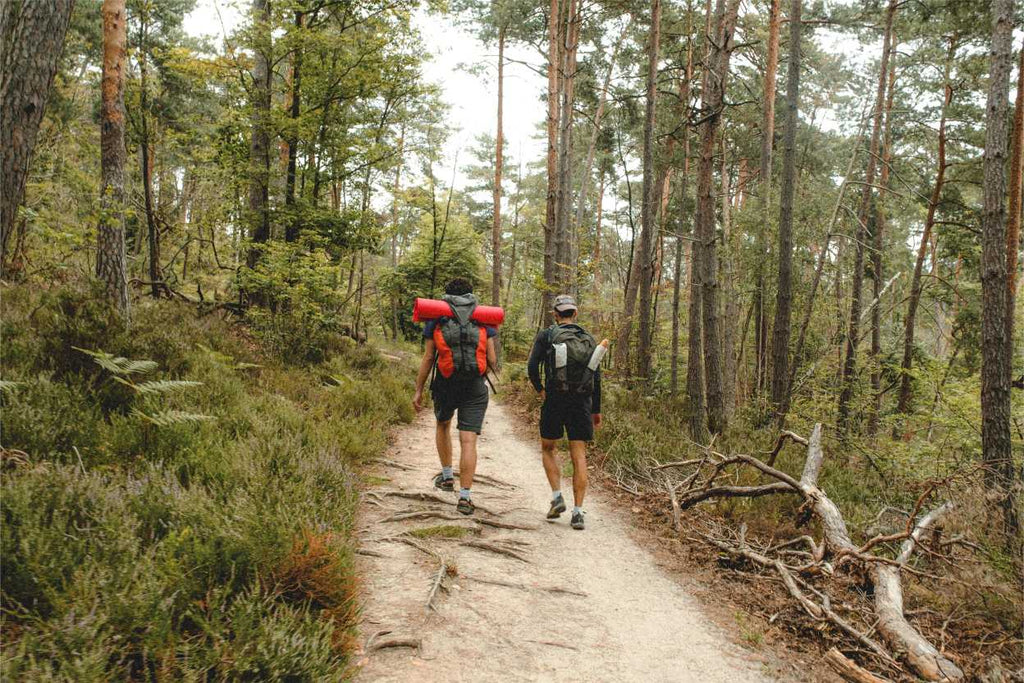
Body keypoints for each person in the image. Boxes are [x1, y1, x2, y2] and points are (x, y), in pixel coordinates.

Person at [412, 278, 498, 516]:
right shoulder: (482, 316)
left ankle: (448, 477)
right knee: (468, 440)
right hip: (474, 386)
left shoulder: (437, 317)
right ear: (471, 295)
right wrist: (480, 374)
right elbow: (491, 359)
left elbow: (429, 357)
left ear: (446, 296)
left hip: (446, 383)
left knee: (442, 424)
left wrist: (418, 389)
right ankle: (465, 498)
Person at [527, 294, 602, 530]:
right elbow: (596, 376)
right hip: (581, 402)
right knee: (578, 455)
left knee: (548, 448)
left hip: (555, 399)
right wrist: (596, 409)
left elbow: (531, 366)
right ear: (575, 313)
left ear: (556, 314)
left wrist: (541, 390)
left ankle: (557, 496)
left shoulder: (547, 335)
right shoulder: (588, 338)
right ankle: (578, 513)